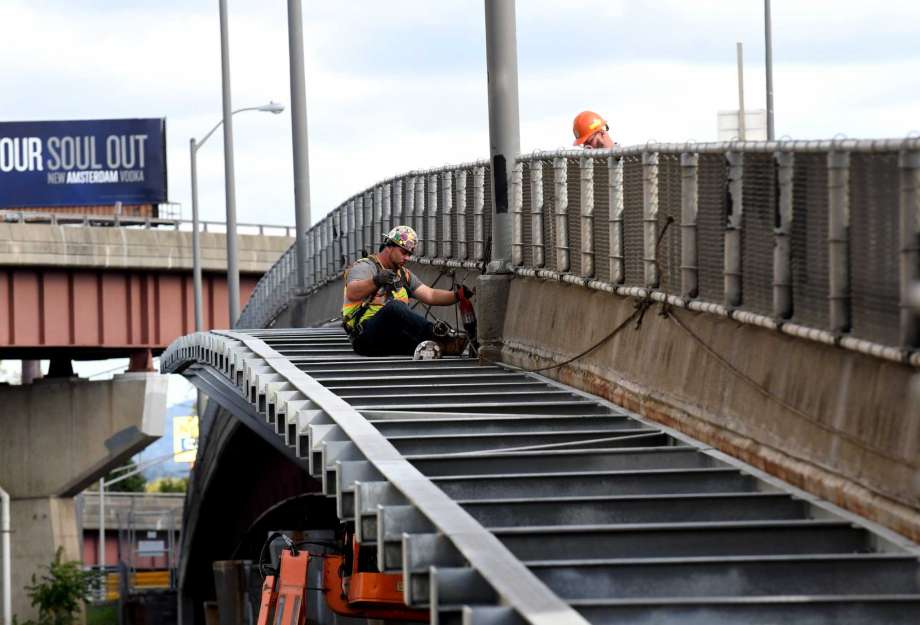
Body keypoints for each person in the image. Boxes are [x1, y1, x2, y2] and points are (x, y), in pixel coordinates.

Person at [342, 225, 473, 356]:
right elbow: (353, 293)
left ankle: (449, 345)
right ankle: (438, 335)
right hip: (366, 337)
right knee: (394, 307)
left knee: (430, 347)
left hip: (392, 339)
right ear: (389, 247)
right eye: (403, 252)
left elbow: (430, 295)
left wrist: (457, 295)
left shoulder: (403, 275)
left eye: (409, 254)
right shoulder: (366, 267)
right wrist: (376, 280)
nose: (407, 258)